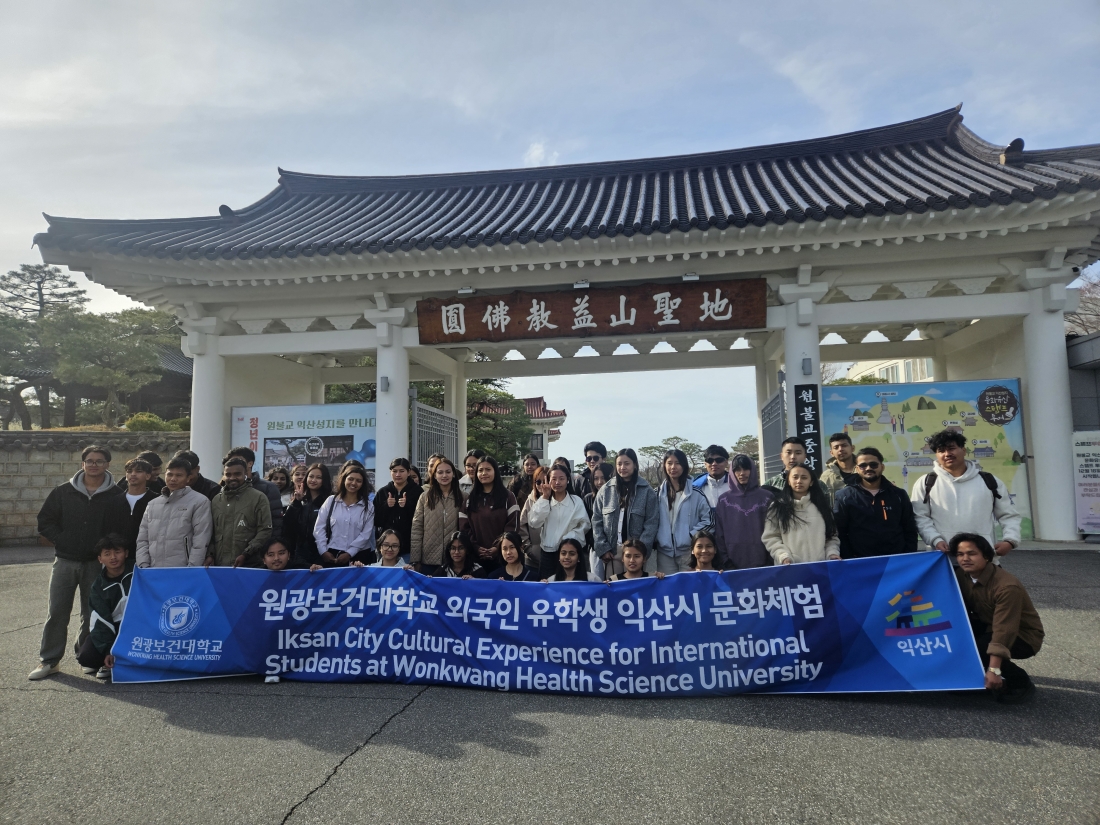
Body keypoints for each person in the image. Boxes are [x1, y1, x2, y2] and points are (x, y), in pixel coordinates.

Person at [30, 445, 125, 681]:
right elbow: (45, 520)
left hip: (96, 564)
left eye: (99, 461)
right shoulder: (63, 491)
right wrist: (62, 540)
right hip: (65, 561)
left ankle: (86, 657)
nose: (94, 465)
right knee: (57, 611)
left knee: (91, 613)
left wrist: (105, 551)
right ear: (82, 464)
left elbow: (118, 529)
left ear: (107, 464)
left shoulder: (115, 495)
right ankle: (49, 660)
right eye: (89, 461)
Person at [951, 533, 1044, 702]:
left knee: (978, 648)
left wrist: (994, 670)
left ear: (987, 556)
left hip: (1022, 635)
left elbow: (1004, 630)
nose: (965, 559)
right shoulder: (961, 575)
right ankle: (976, 679)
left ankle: (1020, 682)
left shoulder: (1007, 587)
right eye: (960, 554)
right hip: (989, 625)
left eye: (972, 553)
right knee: (953, 637)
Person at [911, 429, 1021, 559]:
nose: (947, 454)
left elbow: (1008, 515)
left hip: (982, 558)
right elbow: (920, 517)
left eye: (951, 448)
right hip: (942, 558)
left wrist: (1010, 541)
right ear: (936, 455)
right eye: (941, 451)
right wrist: (935, 540)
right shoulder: (925, 483)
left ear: (963, 450)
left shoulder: (990, 481)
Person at [833, 447, 918, 558]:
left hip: (896, 560)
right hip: (860, 561)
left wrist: (908, 556)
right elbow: (840, 532)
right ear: (857, 469)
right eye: (863, 465)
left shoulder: (898, 495)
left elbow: (910, 529)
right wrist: (850, 558)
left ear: (882, 467)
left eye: (873, 465)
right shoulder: (844, 496)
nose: (868, 468)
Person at [591, 448, 660, 580]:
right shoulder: (606, 490)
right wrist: (603, 548)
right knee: (614, 588)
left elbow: (651, 523)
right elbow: (596, 521)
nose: (622, 467)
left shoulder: (647, 491)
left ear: (635, 465)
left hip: (636, 554)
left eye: (627, 463)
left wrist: (641, 551)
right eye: (619, 464)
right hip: (612, 552)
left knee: (636, 588)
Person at [74, 534, 134, 682]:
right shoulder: (98, 587)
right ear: (100, 559)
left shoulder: (138, 572)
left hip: (139, 627)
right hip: (114, 628)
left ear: (126, 553)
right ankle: (110, 662)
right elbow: (101, 620)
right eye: (107, 554)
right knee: (86, 657)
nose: (113, 557)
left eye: (117, 552)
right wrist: (108, 650)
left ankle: (125, 662)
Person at [136, 457, 213, 568]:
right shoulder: (153, 504)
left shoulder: (200, 502)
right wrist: (143, 565)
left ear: (188, 478)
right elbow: (142, 539)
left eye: (179, 475)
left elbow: (201, 539)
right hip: (152, 570)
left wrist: (192, 568)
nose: (173, 479)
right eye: (170, 474)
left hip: (182, 569)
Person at [763, 465, 840, 565]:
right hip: (789, 568)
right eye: (795, 477)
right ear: (788, 481)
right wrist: (783, 556)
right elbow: (771, 537)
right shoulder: (778, 506)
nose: (799, 481)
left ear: (811, 482)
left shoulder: (822, 507)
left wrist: (832, 553)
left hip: (820, 567)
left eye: (804, 478)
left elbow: (831, 537)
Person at [205, 457, 272, 568]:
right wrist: (210, 554)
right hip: (220, 566)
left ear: (245, 474)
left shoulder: (258, 498)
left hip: (249, 565)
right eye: (228, 474)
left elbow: (265, 530)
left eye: (237, 474)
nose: (232, 478)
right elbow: (211, 532)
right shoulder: (216, 500)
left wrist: (246, 553)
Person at [654, 448, 712, 574]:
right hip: (664, 554)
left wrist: (690, 536)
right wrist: (658, 537)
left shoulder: (696, 493)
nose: (673, 467)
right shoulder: (656, 494)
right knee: (668, 585)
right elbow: (650, 520)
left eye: (677, 463)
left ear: (684, 466)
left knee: (689, 585)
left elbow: (709, 521)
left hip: (689, 553)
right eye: (669, 463)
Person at [528, 463, 590, 579]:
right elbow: (534, 522)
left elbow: (584, 525)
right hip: (548, 553)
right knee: (547, 585)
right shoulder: (544, 501)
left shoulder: (576, 501)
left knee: (570, 584)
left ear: (568, 480)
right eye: (554, 479)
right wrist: (545, 497)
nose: (557, 482)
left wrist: (569, 538)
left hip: (570, 552)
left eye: (561, 479)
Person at [460, 455, 520, 570]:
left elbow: (513, 525)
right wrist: (476, 547)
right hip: (476, 560)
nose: (484, 473)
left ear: (495, 472)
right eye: (480, 470)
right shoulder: (470, 499)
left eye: (488, 469)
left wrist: (498, 547)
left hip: (503, 559)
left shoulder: (508, 496)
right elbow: (464, 528)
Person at [714, 454, 773, 570]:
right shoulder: (723, 500)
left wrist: (770, 561)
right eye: (737, 470)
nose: (742, 473)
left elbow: (775, 531)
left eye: (746, 469)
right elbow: (719, 535)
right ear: (732, 472)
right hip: (732, 566)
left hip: (765, 564)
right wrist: (726, 562)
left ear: (753, 470)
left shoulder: (767, 497)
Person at [313, 463, 375, 567]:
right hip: (331, 555)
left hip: (359, 557)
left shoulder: (368, 506)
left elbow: (366, 534)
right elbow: (319, 528)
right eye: (350, 479)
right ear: (344, 479)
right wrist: (323, 551)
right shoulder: (331, 501)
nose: (354, 483)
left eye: (358, 481)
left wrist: (350, 553)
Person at [410, 457, 464, 575]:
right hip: (428, 558)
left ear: (453, 474)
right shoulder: (425, 497)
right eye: (440, 472)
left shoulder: (463, 497)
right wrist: (415, 559)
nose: (444, 475)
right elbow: (417, 528)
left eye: (448, 472)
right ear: (434, 475)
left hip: (455, 559)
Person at [224, 447, 283, 537]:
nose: (234, 464)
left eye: (238, 460)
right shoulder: (225, 490)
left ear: (250, 463)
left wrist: (273, 542)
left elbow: (275, 520)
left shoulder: (268, 488)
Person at [282, 463, 332, 568]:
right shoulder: (301, 500)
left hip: (323, 553)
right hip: (300, 554)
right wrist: (296, 502)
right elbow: (287, 524)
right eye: (311, 476)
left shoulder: (330, 501)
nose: (313, 480)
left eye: (318, 477)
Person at [104, 457, 157, 552]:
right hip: (119, 554)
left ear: (148, 476)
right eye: (129, 471)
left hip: (148, 553)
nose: (133, 474)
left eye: (138, 471)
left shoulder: (156, 501)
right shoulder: (114, 501)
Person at [374, 457, 423, 561]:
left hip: (408, 546)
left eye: (401, 471)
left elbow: (422, 519)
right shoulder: (383, 492)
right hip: (386, 547)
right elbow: (376, 520)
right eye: (394, 471)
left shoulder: (418, 492)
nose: (397, 474)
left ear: (408, 472)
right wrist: (386, 506)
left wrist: (408, 505)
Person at [764, 437, 833, 502]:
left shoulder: (819, 485)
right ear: (782, 456)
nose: (793, 457)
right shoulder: (771, 484)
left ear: (805, 457)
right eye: (789, 452)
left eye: (798, 453)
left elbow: (827, 509)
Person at [519, 465, 550, 573]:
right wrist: (529, 548)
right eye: (538, 482)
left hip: (554, 558)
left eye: (545, 481)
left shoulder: (558, 501)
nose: (541, 485)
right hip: (532, 559)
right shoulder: (530, 500)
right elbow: (522, 525)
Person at [819, 433, 859, 501]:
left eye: (844, 445)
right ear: (831, 453)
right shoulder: (826, 476)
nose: (840, 449)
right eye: (836, 447)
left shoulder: (863, 471)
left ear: (852, 448)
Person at [691, 444, 729, 515]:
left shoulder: (737, 485)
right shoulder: (695, 488)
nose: (714, 464)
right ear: (705, 464)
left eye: (719, 460)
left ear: (726, 462)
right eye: (710, 460)